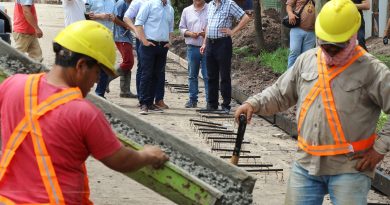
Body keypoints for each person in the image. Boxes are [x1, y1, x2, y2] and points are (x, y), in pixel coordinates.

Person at [235, 0, 389, 204]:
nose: (329, 52)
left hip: (350, 168)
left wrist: (379, 150)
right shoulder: (307, 60)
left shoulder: (372, 71)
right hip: (306, 164)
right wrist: (253, 104)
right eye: (324, 45)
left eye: (336, 47)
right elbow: (280, 93)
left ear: (353, 37)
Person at [0, 20, 168, 204]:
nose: (96, 81)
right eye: (97, 73)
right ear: (81, 66)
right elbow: (120, 159)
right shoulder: (83, 112)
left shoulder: (13, 84)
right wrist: (147, 155)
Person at [199, 0, 250, 112]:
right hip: (210, 44)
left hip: (223, 44)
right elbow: (208, 25)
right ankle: (212, 105)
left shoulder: (229, 4)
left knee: (224, 75)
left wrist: (233, 31)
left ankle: (226, 105)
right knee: (211, 75)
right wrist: (204, 43)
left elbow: (245, 17)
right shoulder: (211, 5)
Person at [135, 0, 174, 114]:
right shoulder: (149, 4)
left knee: (157, 75)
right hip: (149, 45)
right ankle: (143, 103)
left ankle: (150, 102)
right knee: (146, 74)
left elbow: (171, 27)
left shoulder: (170, 9)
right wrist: (144, 41)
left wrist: (170, 41)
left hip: (163, 46)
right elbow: (138, 23)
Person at [179, 0, 208, 108]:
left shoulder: (211, 9)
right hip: (192, 47)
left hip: (208, 48)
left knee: (207, 75)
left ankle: (209, 101)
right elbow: (181, 28)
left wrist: (207, 33)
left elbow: (214, 26)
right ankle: (192, 100)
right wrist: (190, 33)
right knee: (192, 75)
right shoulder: (187, 11)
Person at [86, 0, 115, 98]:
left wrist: (112, 17)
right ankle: (83, 91)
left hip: (107, 36)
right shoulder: (89, 0)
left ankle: (100, 94)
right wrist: (99, 16)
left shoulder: (112, 1)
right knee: (90, 64)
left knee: (105, 66)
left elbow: (115, 17)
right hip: (93, 35)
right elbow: (84, 15)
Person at [112, 0, 137, 98]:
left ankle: (125, 91)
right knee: (128, 62)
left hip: (127, 36)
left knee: (128, 63)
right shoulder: (121, 3)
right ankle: (106, 79)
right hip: (120, 36)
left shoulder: (132, 3)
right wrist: (127, 25)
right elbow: (114, 19)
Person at [286, 0, 316, 68]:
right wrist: (290, 14)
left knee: (306, 56)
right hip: (297, 29)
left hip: (312, 31)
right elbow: (288, 5)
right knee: (294, 52)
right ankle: (290, 75)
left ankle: (301, 76)